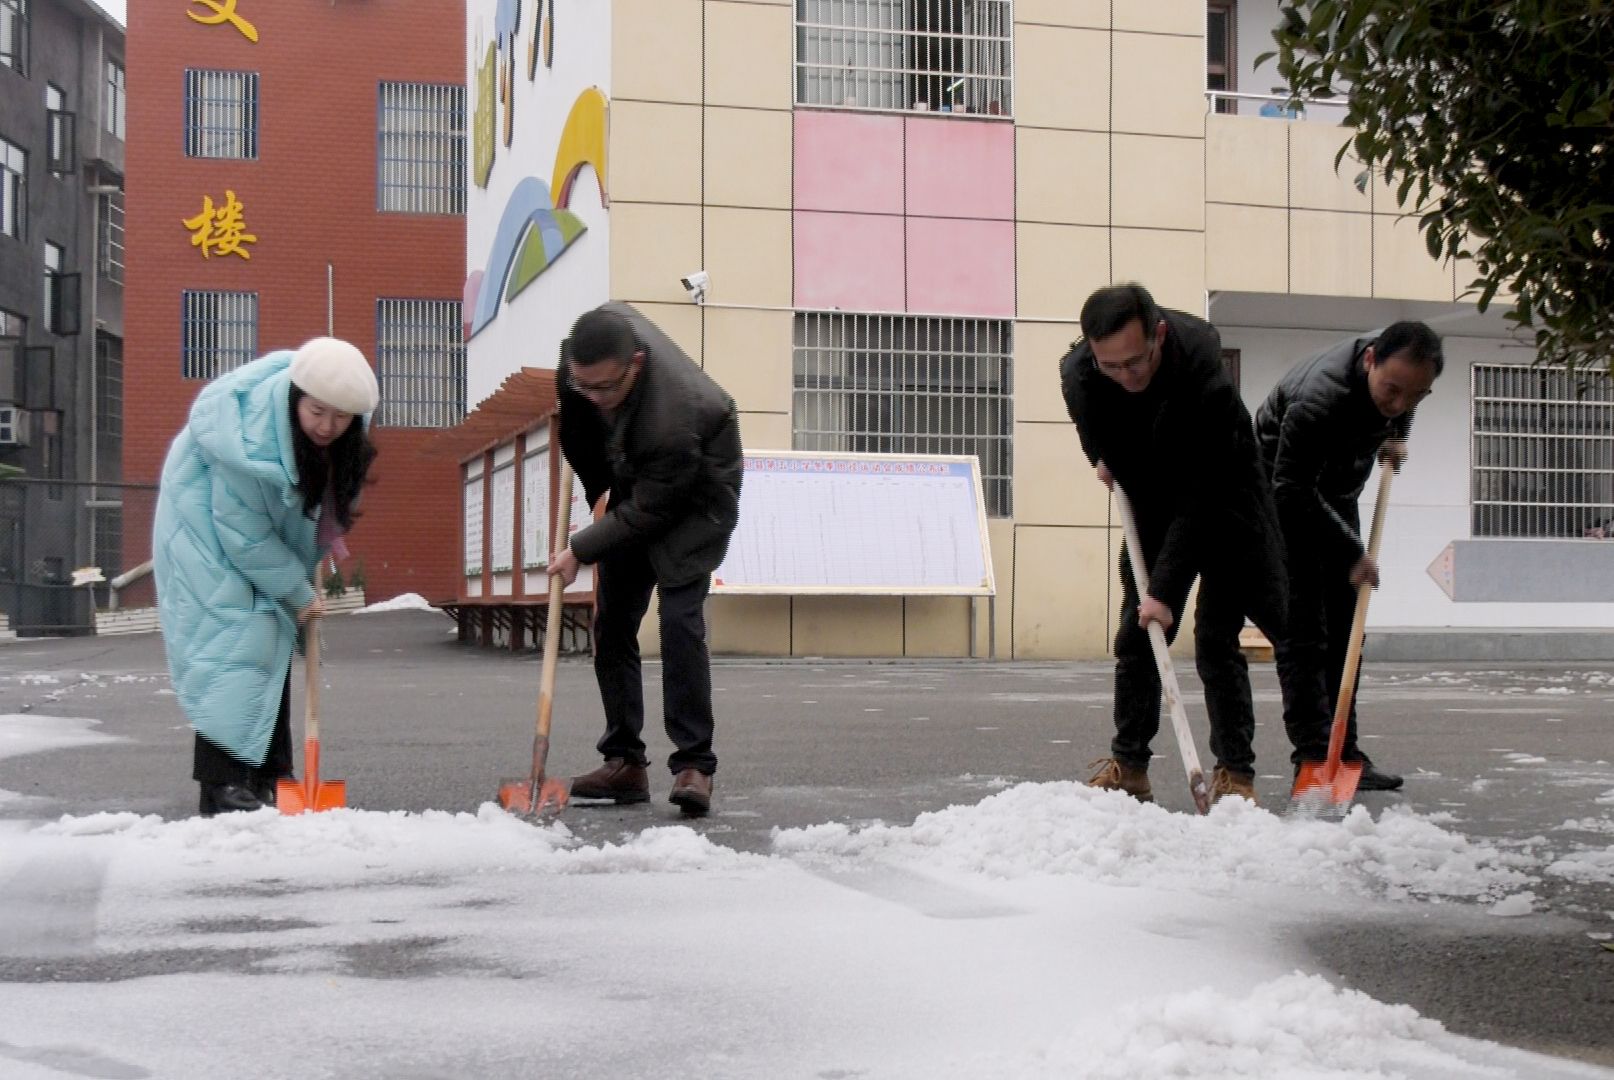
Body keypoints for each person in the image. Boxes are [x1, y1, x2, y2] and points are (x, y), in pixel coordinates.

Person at [1061, 284, 1287, 805]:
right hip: (1151, 498)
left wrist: (1163, 590)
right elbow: (1095, 430)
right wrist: (1101, 457)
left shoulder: (1204, 373)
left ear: (1158, 335)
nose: (1126, 377)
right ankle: (1130, 766)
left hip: (1226, 500)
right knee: (1138, 635)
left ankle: (1235, 774)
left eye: (1135, 362)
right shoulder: (1080, 376)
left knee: (1216, 638)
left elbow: (1202, 495)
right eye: (1111, 366)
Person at [154, 337, 379, 816]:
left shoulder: (333, 438)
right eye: (317, 412)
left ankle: (271, 775)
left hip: (249, 534)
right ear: (297, 398)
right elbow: (243, 534)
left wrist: (303, 573)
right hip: (201, 529)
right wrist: (297, 590)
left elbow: (311, 510)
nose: (327, 426)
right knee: (239, 639)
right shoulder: (253, 437)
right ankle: (221, 783)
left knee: (271, 638)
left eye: (341, 417)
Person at [546, 303, 743, 816]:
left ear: (634, 365)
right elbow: (581, 436)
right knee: (611, 623)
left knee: (679, 622)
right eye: (583, 385)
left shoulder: (675, 414)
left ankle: (694, 765)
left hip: (697, 498)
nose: (593, 396)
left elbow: (652, 512)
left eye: (604, 388)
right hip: (639, 483)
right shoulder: (579, 369)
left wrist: (581, 548)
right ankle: (624, 763)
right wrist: (599, 492)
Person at [1254, 322, 1444, 792]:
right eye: (1392, 391)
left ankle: (1346, 754)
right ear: (1370, 360)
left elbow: (1403, 400)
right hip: (1278, 499)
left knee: (1347, 630)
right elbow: (1290, 489)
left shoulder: (1399, 379)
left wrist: (1397, 434)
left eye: (1415, 396)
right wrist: (1352, 553)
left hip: (1332, 495)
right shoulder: (1318, 400)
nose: (1399, 403)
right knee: (1304, 636)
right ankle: (1314, 757)